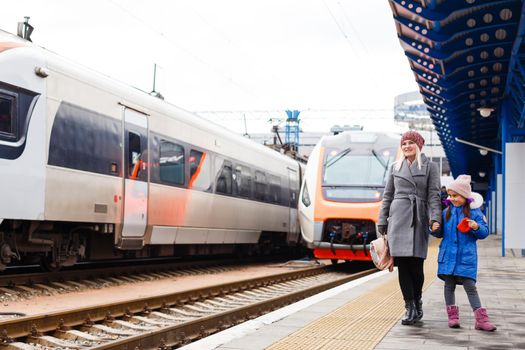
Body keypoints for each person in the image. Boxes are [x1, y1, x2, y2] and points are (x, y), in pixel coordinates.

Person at [377, 130, 442, 325]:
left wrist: (435, 218)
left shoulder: (430, 167)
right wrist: (382, 220)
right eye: (404, 143)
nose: (406, 146)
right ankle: (409, 306)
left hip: (418, 218)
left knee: (416, 266)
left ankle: (418, 299)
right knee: (403, 265)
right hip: (398, 218)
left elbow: (434, 195)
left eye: (410, 143)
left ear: (419, 145)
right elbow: (387, 195)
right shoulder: (395, 167)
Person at [431, 175, 496, 331]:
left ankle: (481, 320)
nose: (452, 198)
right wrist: (433, 228)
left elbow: (484, 232)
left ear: (465, 196)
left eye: (456, 195)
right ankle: (452, 317)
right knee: (449, 285)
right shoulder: (446, 212)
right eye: (450, 195)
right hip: (448, 257)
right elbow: (440, 233)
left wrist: (475, 227)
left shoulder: (475, 213)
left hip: (466, 258)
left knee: (470, 287)